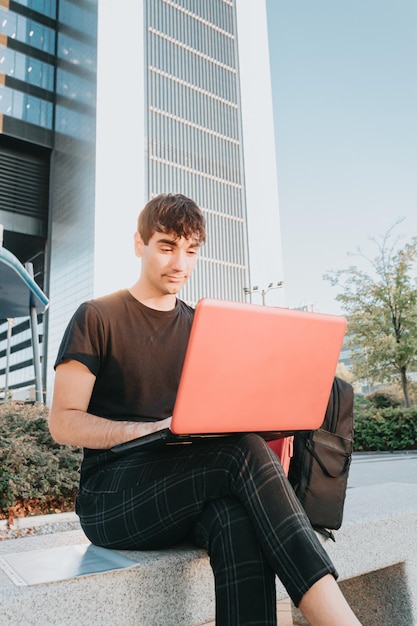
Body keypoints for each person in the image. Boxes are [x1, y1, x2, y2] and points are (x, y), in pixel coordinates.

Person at [49, 193, 361, 626]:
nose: (180, 262)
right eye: (166, 246)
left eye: (191, 250)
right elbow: (62, 422)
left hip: (189, 484)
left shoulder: (203, 326)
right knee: (243, 451)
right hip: (112, 496)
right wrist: (143, 431)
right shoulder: (96, 316)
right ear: (138, 244)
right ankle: (337, 620)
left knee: (237, 520)